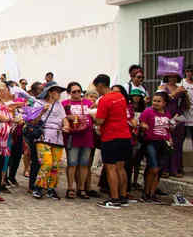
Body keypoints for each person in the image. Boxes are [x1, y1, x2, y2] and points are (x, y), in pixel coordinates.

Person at [93, 74, 132, 209]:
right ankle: (123, 196)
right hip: (125, 135)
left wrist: (93, 116)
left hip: (111, 136)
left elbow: (100, 121)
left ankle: (114, 198)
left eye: (96, 88)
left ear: (100, 86)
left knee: (110, 168)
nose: (96, 91)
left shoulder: (105, 100)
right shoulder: (120, 96)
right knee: (121, 168)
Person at [29, 82, 66, 200]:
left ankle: (51, 188)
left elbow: (64, 119)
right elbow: (33, 121)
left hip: (57, 136)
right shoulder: (39, 103)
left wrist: (67, 126)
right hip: (43, 135)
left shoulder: (59, 105)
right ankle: (38, 187)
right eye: (56, 91)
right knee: (47, 162)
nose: (59, 94)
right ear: (50, 92)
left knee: (55, 164)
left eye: (60, 92)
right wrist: (42, 112)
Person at [62, 81, 94, 199]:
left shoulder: (88, 103)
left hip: (87, 136)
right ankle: (70, 187)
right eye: (74, 91)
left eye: (79, 91)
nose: (77, 94)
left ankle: (81, 188)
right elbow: (62, 117)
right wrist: (70, 118)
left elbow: (94, 116)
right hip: (73, 136)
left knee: (84, 163)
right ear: (69, 93)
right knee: (72, 163)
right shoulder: (65, 103)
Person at [139, 91, 172, 203]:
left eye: (159, 101)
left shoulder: (167, 114)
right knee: (153, 168)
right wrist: (144, 126)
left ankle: (152, 194)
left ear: (164, 103)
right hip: (151, 142)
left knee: (158, 170)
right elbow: (141, 123)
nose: (156, 103)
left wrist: (170, 139)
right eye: (154, 101)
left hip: (164, 142)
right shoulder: (148, 111)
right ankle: (146, 192)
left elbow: (168, 129)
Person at [158, 68, 189, 178]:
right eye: (170, 76)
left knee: (177, 145)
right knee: (165, 144)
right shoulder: (162, 87)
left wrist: (177, 115)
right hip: (164, 116)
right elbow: (161, 99)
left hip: (177, 118)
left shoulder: (181, 88)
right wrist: (175, 93)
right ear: (166, 77)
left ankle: (175, 169)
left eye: (175, 76)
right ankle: (164, 168)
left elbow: (185, 104)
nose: (172, 78)